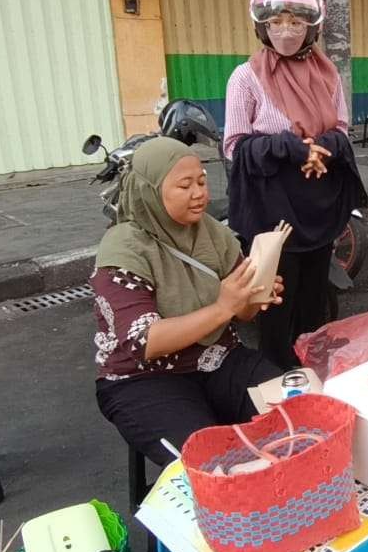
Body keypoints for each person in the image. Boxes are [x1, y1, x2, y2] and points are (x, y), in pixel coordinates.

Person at [93, 137, 287, 467]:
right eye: (185, 185)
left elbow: (242, 313)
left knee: (298, 417)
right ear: (151, 190)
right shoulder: (123, 249)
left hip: (218, 359)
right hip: (145, 379)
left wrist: (254, 294)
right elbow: (145, 341)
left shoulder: (213, 233)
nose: (199, 193)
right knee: (211, 466)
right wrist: (222, 307)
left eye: (201, 181)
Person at [223, 0, 366, 370]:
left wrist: (321, 151)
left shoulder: (327, 74)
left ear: (311, 27)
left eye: (296, 22)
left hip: (318, 205)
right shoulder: (245, 78)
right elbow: (234, 146)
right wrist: (289, 148)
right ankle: (274, 375)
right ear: (262, 27)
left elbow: (340, 128)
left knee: (313, 299)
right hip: (273, 209)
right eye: (276, 22)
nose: (286, 30)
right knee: (275, 302)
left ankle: (309, 375)